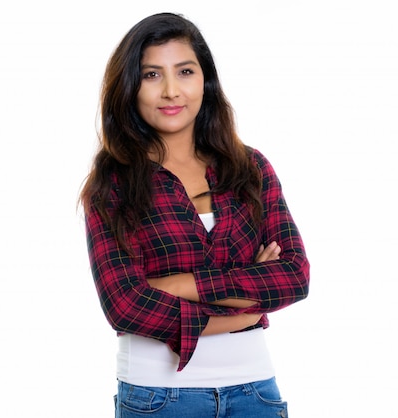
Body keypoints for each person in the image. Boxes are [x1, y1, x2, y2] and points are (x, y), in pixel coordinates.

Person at [79, 12, 310, 418]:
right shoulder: (112, 182)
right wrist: (249, 310)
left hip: (256, 393)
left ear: (206, 79)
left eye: (184, 71)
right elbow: (125, 304)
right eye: (152, 75)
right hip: (157, 398)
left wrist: (180, 284)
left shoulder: (250, 168)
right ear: (131, 87)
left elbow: (294, 276)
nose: (171, 90)